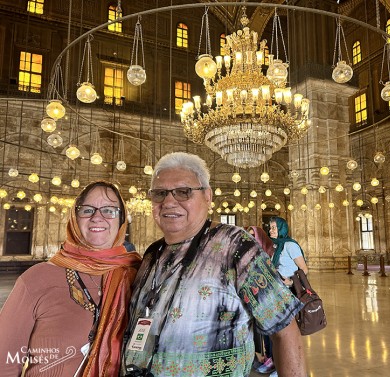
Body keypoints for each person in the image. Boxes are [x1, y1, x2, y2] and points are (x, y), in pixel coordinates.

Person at [121, 152, 307, 377]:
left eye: (183, 192)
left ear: (207, 196)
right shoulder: (152, 254)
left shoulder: (236, 246)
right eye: (160, 194)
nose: (169, 202)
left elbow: (285, 330)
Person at [0, 181, 142, 376]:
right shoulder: (36, 280)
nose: (97, 217)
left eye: (109, 210)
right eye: (87, 210)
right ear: (74, 218)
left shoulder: (138, 277)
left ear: (121, 221)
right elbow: (4, 363)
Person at [257, 216, 309, 376]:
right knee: (272, 329)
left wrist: (290, 282)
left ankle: (281, 366)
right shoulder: (274, 246)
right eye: (270, 227)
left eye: (274, 227)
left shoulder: (289, 245)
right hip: (275, 292)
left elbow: (304, 270)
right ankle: (272, 360)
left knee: (283, 331)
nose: (270, 230)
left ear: (282, 228)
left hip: (287, 292)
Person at [246, 226, 275, 370]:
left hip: (267, 297)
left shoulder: (269, 251)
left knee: (269, 331)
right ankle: (259, 355)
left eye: (253, 235)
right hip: (250, 297)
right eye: (248, 235)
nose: (250, 238)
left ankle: (271, 360)